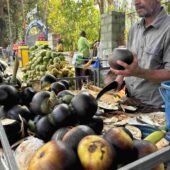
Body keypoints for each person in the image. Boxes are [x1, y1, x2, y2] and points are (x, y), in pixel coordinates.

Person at [109, 0, 170, 109]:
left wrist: (138, 72)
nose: (136, 2)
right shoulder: (134, 29)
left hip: (157, 110)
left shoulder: (168, 29)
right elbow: (129, 61)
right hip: (130, 103)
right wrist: (119, 78)